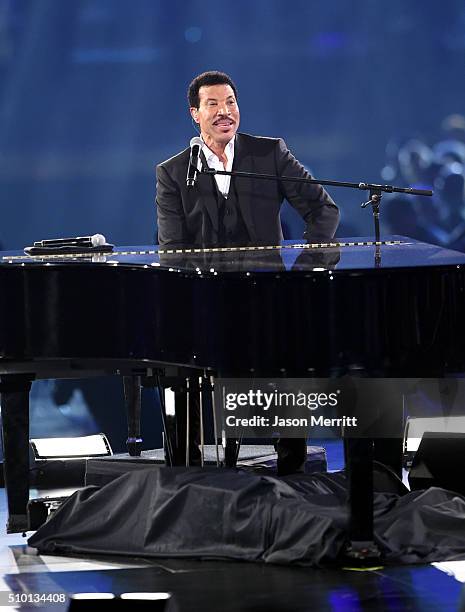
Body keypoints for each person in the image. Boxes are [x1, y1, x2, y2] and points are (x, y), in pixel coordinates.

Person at [155, 71, 340, 474]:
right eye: (213, 105)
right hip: (207, 304)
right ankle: (191, 473)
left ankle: (293, 472)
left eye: (231, 103)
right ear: (194, 114)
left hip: (271, 299)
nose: (225, 112)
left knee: (289, 361)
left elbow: (323, 210)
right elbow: (172, 251)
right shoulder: (173, 173)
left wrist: (302, 273)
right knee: (181, 362)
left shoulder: (269, 153)